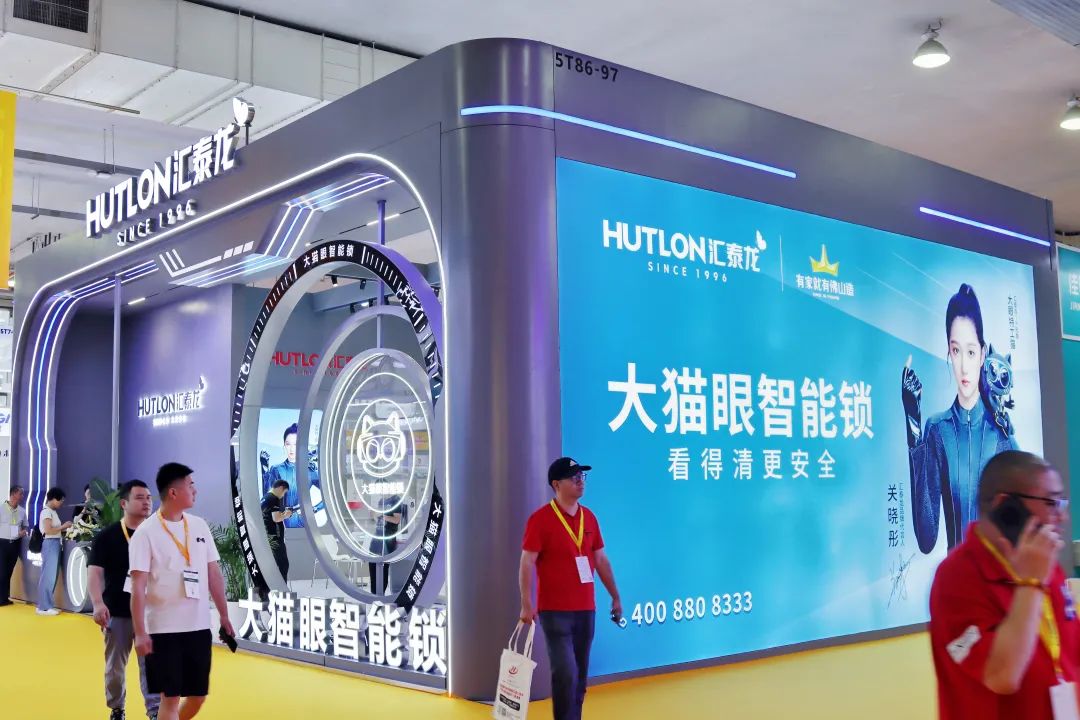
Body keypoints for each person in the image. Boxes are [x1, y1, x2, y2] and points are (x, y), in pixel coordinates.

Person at [929, 450, 1078, 719]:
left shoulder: (1046, 564)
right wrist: (1031, 584)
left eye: (1061, 503)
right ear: (1006, 506)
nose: (1062, 516)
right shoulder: (956, 577)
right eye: (1051, 503)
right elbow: (1002, 676)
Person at [902, 283, 1018, 554]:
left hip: (996, 578)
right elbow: (926, 539)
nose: (964, 366)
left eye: (971, 352)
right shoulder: (936, 430)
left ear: (983, 353)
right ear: (948, 352)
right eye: (956, 351)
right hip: (954, 577)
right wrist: (913, 422)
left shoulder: (1001, 436)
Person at [519, 457, 622, 720]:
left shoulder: (590, 518)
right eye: (573, 477)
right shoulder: (540, 519)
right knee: (565, 672)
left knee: (579, 676)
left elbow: (601, 560)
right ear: (556, 484)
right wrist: (526, 604)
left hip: (586, 609)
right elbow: (527, 562)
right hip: (554, 611)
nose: (580, 481)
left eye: (582, 476)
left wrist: (615, 596)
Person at [130, 463, 234, 720]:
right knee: (170, 698)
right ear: (173, 492)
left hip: (198, 627)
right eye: (190, 485)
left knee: (198, 698)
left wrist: (224, 615)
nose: (195, 490)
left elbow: (213, 574)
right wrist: (140, 633)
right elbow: (138, 587)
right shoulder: (145, 533)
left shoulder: (199, 526)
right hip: (162, 630)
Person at [89, 480, 161, 720]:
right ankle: (117, 708)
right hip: (117, 612)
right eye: (139, 497)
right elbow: (95, 573)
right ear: (123, 503)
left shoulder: (157, 536)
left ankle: (155, 711)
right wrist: (98, 603)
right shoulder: (107, 537)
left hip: (150, 614)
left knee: (152, 666)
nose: (146, 502)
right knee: (115, 667)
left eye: (149, 497)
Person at [37, 487, 71, 615]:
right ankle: (44, 607)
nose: (61, 503)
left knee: (51, 576)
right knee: (48, 576)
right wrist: (63, 527)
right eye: (60, 500)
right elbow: (48, 530)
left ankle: (46, 604)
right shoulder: (47, 512)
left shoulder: (52, 512)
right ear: (54, 499)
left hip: (54, 543)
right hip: (50, 543)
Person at [263, 424, 302, 528]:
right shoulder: (277, 469)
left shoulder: (309, 469)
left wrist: (315, 508)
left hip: (305, 521)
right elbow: (268, 499)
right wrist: (264, 472)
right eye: (288, 444)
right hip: (284, 522)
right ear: (284, 445)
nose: (292, 448)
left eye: (295, 444)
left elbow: (328, 493)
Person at [368, 494, 404, 594]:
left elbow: (397, 520)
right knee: (373, 567)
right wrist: (374, 515)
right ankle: (374, 595)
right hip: (377, 538)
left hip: (387, 539)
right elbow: (378, 520)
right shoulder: (381, 500)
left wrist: (382, 516)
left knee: (383, 569)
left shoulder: (395, 500)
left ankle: (380, 595)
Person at [261, 478, 294, 581]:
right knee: (283, 565)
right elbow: (276, 518)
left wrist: (282, 514)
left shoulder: (265, 498)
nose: (283, 495)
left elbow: (270, 517)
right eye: (284, 492)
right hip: (275, 538)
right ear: (280, 488)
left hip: (268, 536)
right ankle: (282, 588)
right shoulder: (273, 498)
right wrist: (287, 515)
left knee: (275, 565)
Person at [1, 485, 28, 606]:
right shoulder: (1, 509)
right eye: (20, 493)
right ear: (13, 494)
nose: (22, 496)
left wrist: (23, 531)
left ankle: (4, 598)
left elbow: (25, 525)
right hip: (2, 543)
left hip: (15, 544)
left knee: (9, 571)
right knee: (2, 571)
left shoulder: (22, 511)